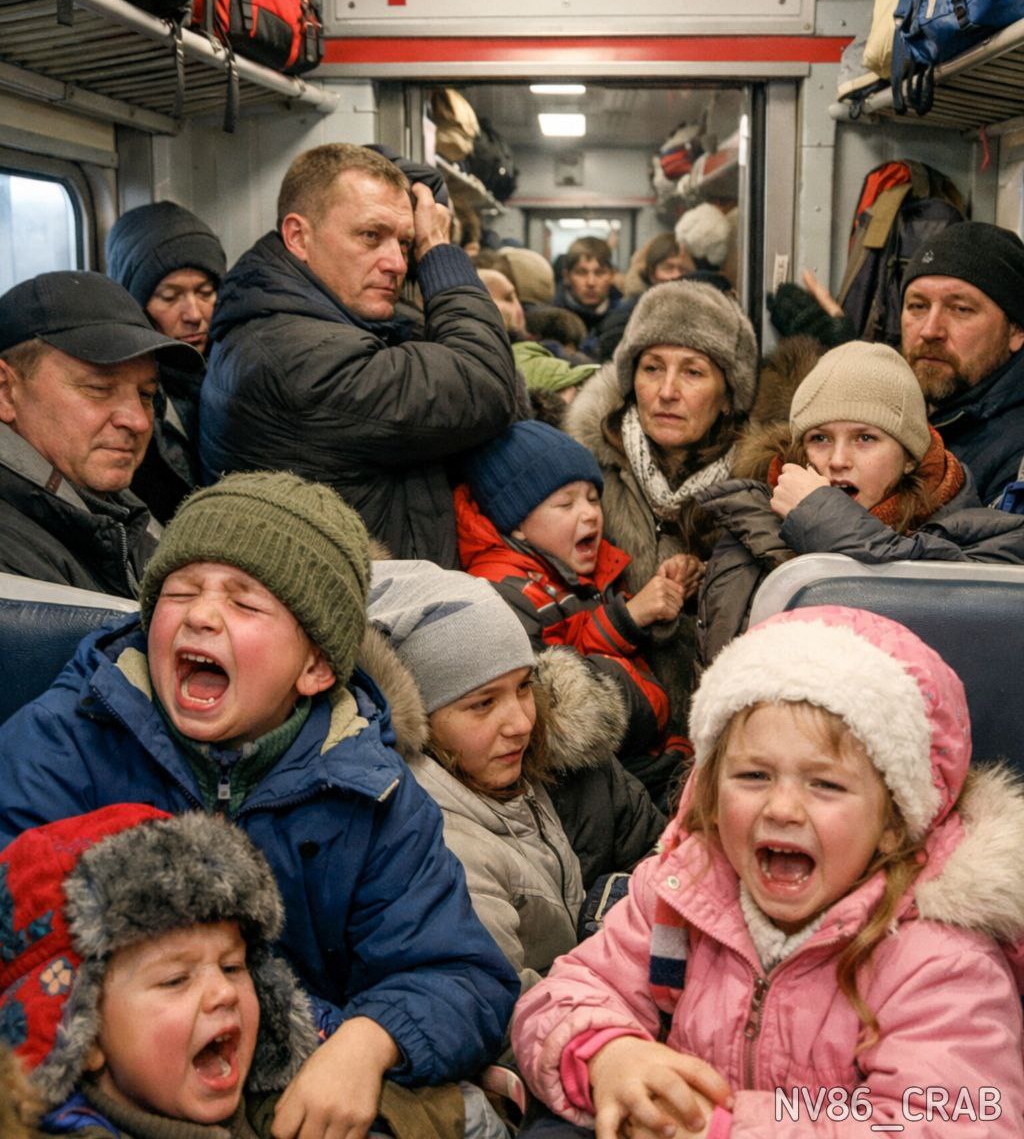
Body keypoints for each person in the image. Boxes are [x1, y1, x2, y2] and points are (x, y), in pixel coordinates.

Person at [0, 471, 519, 1139]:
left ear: (315, 667)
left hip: (297, 1077)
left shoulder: (373, 791)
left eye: (245, 603)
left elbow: (462, 976)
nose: (201, 615)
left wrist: (367, 1042)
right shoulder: (60, 744)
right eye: (179, 592)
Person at [511, 606, 1024, 1139]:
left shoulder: (938, 959)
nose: (782, 808)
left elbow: (957, 1121)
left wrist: (719, 1126)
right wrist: (608, 1055)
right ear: (710, 793)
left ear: (894, 823)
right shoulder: (679, 895)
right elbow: (566, 994)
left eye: (825, 785)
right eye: (754, 775)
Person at [199, 143, 518, 566]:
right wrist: (437, 250)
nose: (397, 263)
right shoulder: (298, 358)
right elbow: (486, 383)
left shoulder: (328, 319)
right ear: (298, 237)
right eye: (370, 236)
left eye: (405, 243)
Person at [364, 560, 665, 990]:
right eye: (483, 703)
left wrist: (614, 904)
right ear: (423, 721)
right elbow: (506, 1003)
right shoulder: (441, 852)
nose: (522, 723)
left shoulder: (574, 760)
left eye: (524, 686)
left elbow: (665, 856)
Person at [696, 341, 1024, 666]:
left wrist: (820, 516)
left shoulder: (989, 537)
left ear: (910, 457)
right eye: (820, 438)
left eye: (865, 438)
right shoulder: (751, 527)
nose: (838, 460)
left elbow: (941, 624)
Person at [1, 803, 317, 1137]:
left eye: (232, 967)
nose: (224, 992)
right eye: (175, 980)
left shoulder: (314, 1100)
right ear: (84, 1037)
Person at [457, 420, 697, 802]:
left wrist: (669, 592)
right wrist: (627, 618)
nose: (589, 514)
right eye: (566, 504)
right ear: (517, 524)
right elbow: (549, 680)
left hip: (652, 752)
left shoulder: (588, 567)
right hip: (603, 773)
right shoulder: (502, 590)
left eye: (593, 498)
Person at [565, 280, 758, 723]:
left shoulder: (755, 491)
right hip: (613, 722)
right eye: (652, 368)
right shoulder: (583, 469)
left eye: (693, 373)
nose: (667, 391)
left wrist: (711, 581)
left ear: (728, 397)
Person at [0, 270, 201, 595]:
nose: (138, 421)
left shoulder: (116, 511)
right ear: (5, 392)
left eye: (146, 395)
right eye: (99, 388)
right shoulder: (13, 565)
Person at [105, 201, 226, 522]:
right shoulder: (127, 399)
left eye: (205, 292)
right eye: (169, 297)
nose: (194, 315)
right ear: (136, 304)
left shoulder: (235, 368)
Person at [900, 221, 1024, 505]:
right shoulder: (889, 416)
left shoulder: (1017, 459)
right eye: (918, 306)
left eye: (960, 309)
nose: (930, 330)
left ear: (1016, 331)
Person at [553, 238, 622, 355]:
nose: (591, 282)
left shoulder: (625, 317)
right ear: (566, 276)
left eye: (600, 272)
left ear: (612, 275)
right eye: (581, 272)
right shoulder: (552, 321)